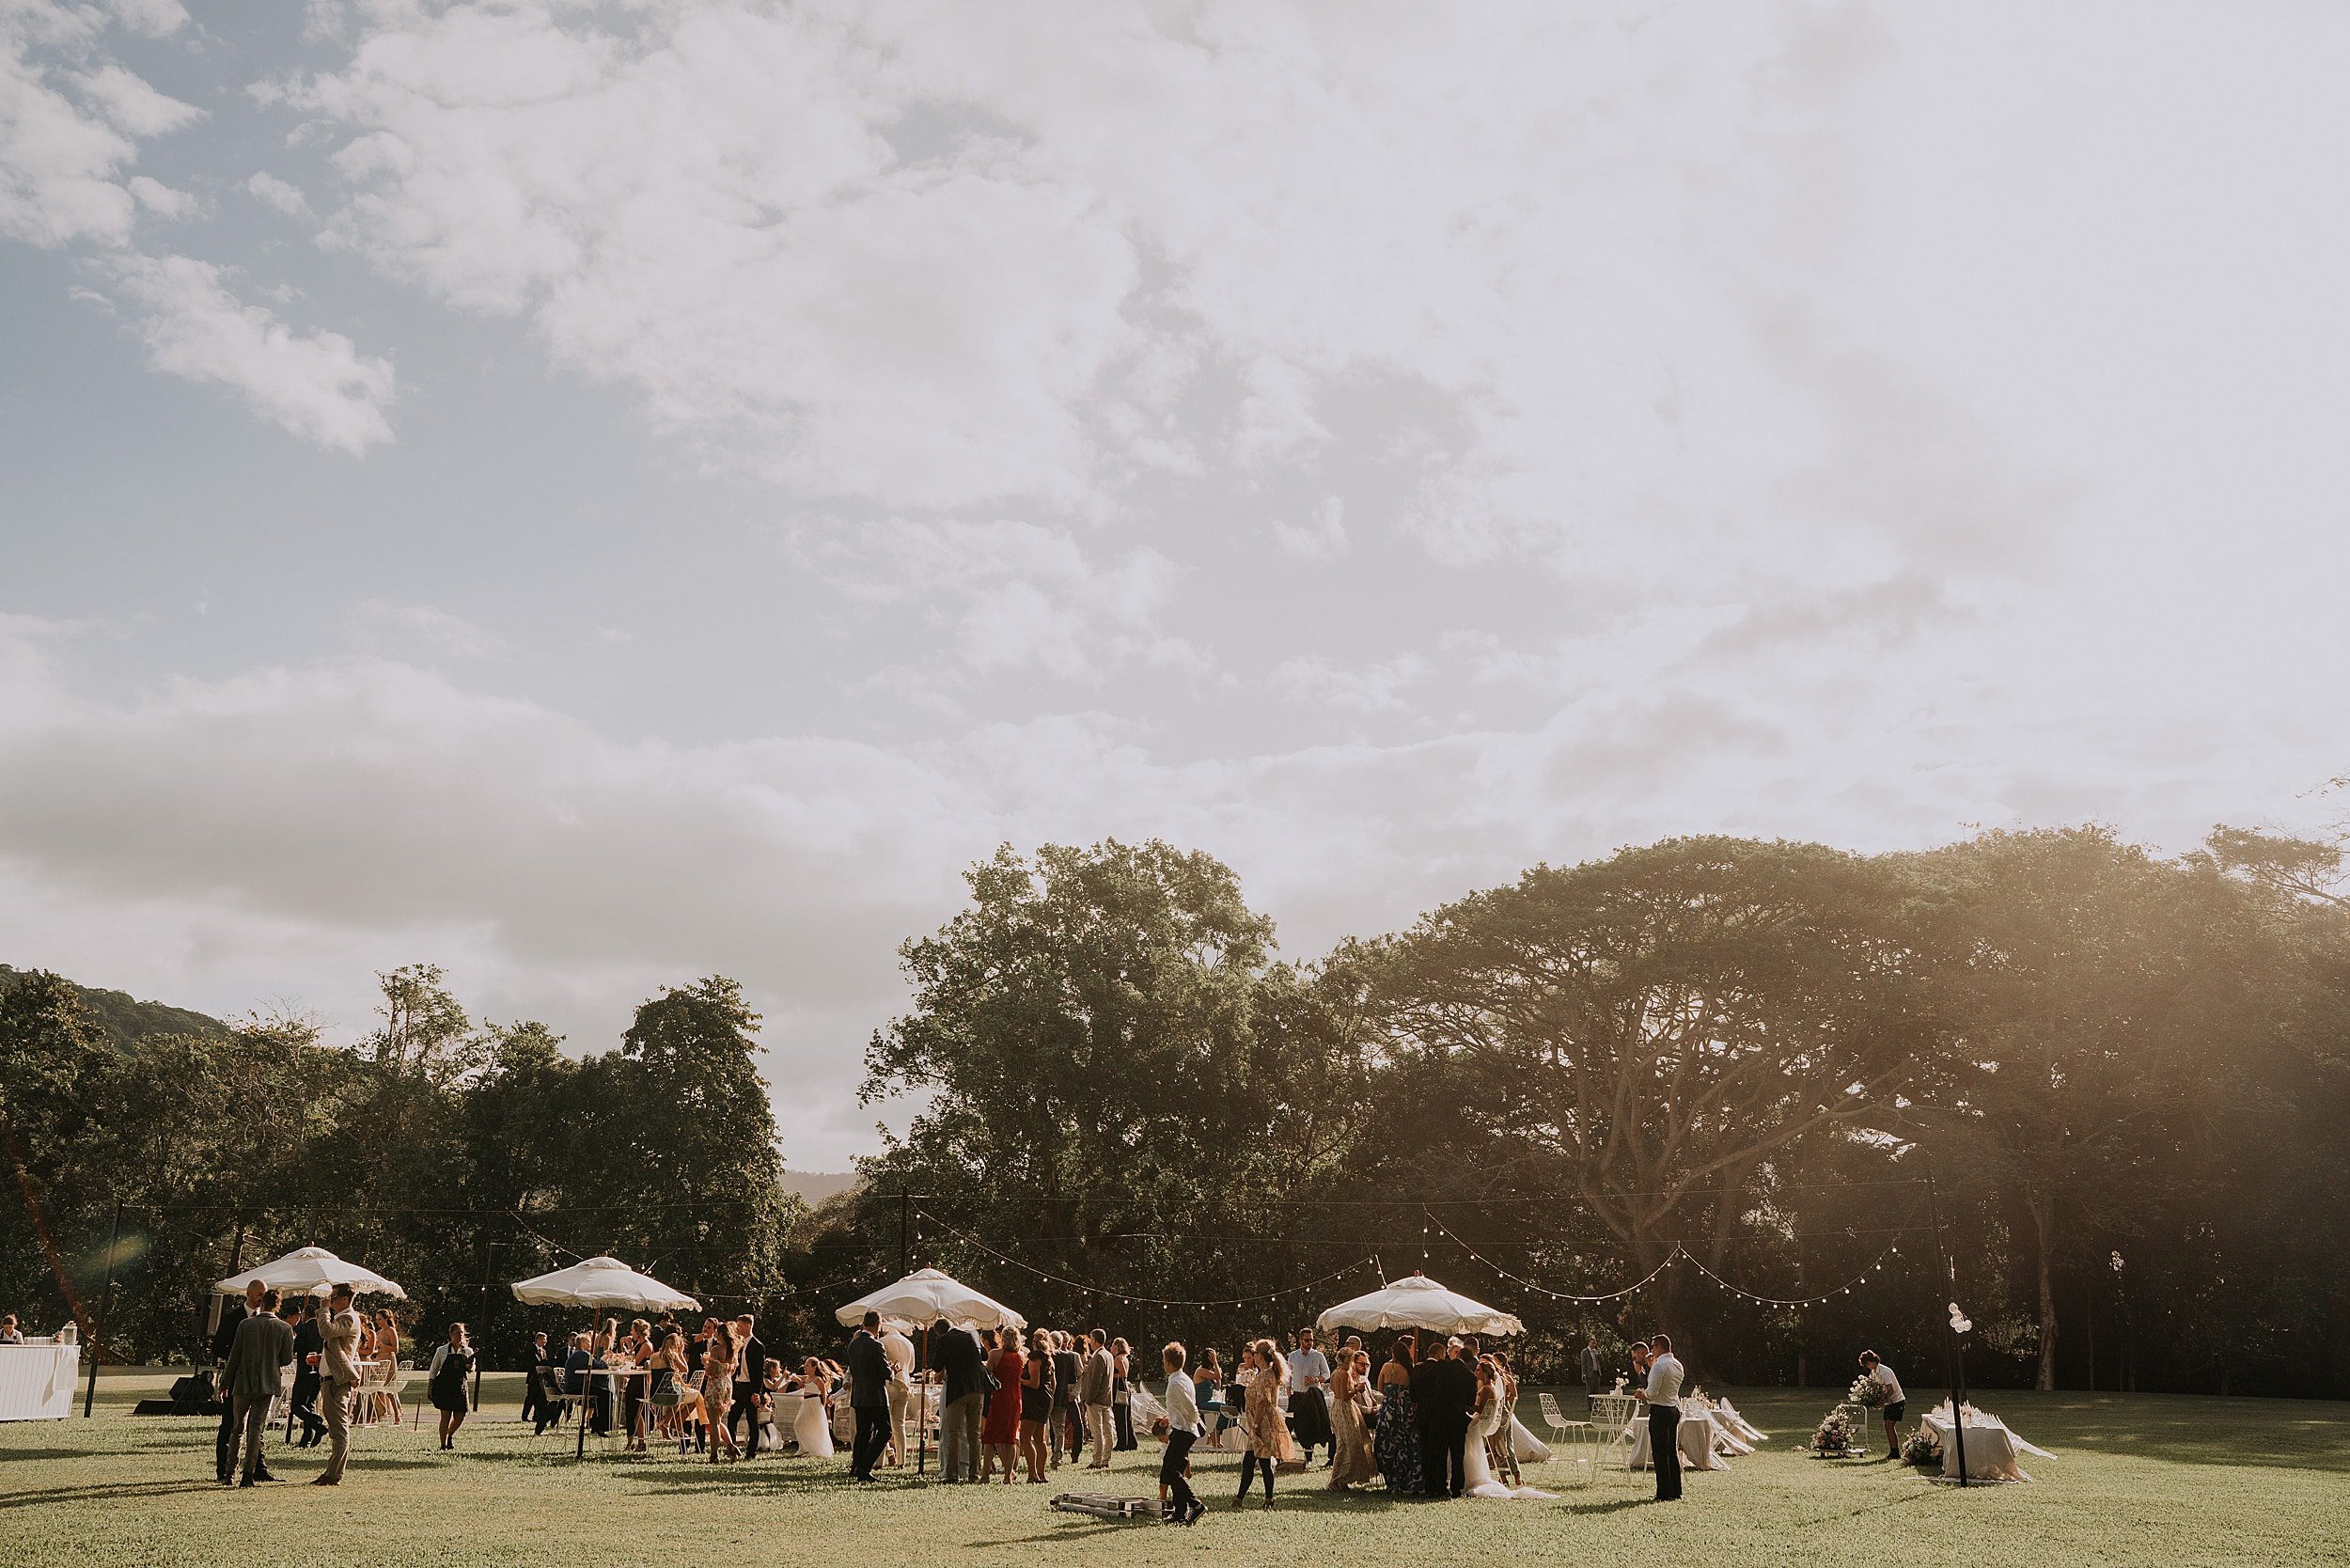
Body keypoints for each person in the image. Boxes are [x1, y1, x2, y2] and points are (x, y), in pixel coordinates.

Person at [222, 1287, 293, 1487]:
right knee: (256, 1429)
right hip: (267, 1384)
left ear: (262, 1303)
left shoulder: (246, 1325)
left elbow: (234, 1357)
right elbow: (287, 1360)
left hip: (243, 1382)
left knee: (237, 1428)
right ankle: (248, 1474)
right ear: (278, 1305)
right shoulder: (285, 1328)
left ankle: (229, 1473)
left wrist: (224, 1383)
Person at [1461, 1356, 1557, 1500]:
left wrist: (1465, 1402)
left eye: (1479, 1371)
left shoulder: (1487, 1389)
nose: (1476, 1373)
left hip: (1477, 1422)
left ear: (1486, 1374)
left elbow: (1480, 1409)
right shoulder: (1488, 1387)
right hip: (1480, 1421)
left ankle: (1470, 1475)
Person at [212, 1278, 264, 1484]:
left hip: (259, 1380)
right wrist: (239, 1355)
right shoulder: (233, 1318)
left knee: (257, 1426)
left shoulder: (267, 1319)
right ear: (249, 1293)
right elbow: (217, 1347)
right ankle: (222, 1470)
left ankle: (258, 1469)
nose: (262, 1298)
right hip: (236, 1378)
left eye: (264, 1295)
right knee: (230, 1425)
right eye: (259, 1294)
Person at [1412, 1335, 1476, 1498]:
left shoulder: (1442, 1367)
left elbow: (1425, 1379)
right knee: (1457, 1455)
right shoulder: (1470, 1377)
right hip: (1457, 1419)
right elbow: (1470, 1401)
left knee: (1437, 1453)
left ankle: (1436, 1486)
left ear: (1456, 1355)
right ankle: (1456, 1488)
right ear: (1468, 1361)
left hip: (1438, 1417)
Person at [314, 1284, 364, 1485]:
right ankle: (331, 1472)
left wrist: (323, 1309)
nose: (330, 1300)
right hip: (331, 1378)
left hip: (337, 1381)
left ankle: (334, 1474)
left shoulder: (348, 1318)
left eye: (333, 1297)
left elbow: (326, 1331)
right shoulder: (343, 1317)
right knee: (335, 1427)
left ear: (344, 1299)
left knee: (339, 1430)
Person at [933, 1318, 988, 1482]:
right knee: (974, 1433)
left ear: (939, 1332)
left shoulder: (944, 1340)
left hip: (957, 1390)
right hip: (977, 1388)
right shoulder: (972, 1335)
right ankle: (974, 1473)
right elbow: (983, 1355)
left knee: (954, 1433)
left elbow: (936, 1366)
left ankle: (952, 1474)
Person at [1234, 1339, 1287, 1508]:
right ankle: (1240, 1498)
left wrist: (1255, 1425)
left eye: (1255, 1353)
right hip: (1259, 1422)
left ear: (1260, 1356)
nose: (1252, 1355)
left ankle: (1267, 1498)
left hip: (1261, 1423)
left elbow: (1263, 1401)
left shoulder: (1265, 1375)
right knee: (1251, 1461)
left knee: (1262, 1461)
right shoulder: (1265, 1373)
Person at [1157, 1341, 1205, 1526]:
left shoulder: (1175, 1383)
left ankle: (1196, 1504)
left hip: (1183, 1431)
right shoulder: (1183, 1378)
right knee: (1175, 1470)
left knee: (1169, 1471)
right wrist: (1172, 1418)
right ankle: (1179, 1513)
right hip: (1183, 1428)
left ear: (1168, 1362)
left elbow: (1190, 1407)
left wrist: (1189, 1421)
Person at [846, 1310, 892, 1482]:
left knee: (862, 1433)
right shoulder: (876, 1345)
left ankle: (855, 1467)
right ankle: (865, 1467)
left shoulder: (853, 1345)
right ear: (878, 1325)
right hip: (875, 1396)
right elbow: (886, 1373)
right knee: (885, 1431)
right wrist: (892, 1371)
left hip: (859, 1395)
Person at [1374, 1333, 1421, 1495]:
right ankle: (1408, 1480)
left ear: (1393, 1353)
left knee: (1388, 1444)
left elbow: (1380, 1389)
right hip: (1406, 1409)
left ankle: (1392, 1479)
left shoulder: (1387, 1367)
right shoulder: (1411, 1369)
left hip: (1390, 1408)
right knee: (1407, 1444)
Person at [1641, 1332, 1684, 1502]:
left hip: (1660, 1411)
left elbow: (1652, 1393)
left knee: (1660, 1453)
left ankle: (1663, 1492)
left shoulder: (1660, 1366)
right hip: (1673, 1409)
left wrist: (1641, 1394)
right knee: (1671, 1451)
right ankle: (1675, 1490)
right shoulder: (1677, 1364)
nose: (1651, 1350)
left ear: (1659, 1347)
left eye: (1652, 1346)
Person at [1327, 1346, 1378, 1488]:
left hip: (1337, 1408)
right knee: (1352, 1444)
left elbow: (1335, 1390)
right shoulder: (1344, 1374)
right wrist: (1357, 1389)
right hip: (1345, 1409)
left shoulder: (1335, 1373)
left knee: (1343, 1444)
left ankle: (1341, 1478)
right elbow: (1345, 1396)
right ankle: (1341, 1477)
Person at [981, 1325, 1026, 1482]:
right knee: (1010, 1437)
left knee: (990, 1437)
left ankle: (985, 1474)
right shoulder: (1021, 1356)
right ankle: (1008, 1474)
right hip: (1015, 1399)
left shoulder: (995, 1354)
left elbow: (989, 1375)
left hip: (999, 1397)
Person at [1286, 1328, 1332, 1466]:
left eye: (1311, 1340)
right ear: (1300, 1341)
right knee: (1291, 1425)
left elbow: (1327, 1373)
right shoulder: (1293, 1356)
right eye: (1307, 1340)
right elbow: (1288, 1375)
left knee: (1311, 1426)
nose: (1310, 1343)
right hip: (1298, 1395)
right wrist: (1289, 1392)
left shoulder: (1318, 1356)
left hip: (1312, 1396)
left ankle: (1309, 1457)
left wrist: (1315, 1379)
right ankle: (1285, 1455)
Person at [429, 1322, 476, 1450]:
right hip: (444, 1386)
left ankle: (450, 1435)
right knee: (445, 1416)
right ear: (450, 1334)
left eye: (461, 1332)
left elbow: (472, 1369)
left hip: (460, 1386)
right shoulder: (442, 1350)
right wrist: (430, 1387)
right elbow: (434, 1369)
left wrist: (469, 1366)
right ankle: (443, 1445)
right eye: (456, 1333)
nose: (459, 1335)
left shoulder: (468, 1351)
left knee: (460, 1416)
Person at [286, 1299, 326, 1448]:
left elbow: (294, 1349)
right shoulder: (323, 1327)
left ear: (304, 1315)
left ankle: (317, 1424)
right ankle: (306, 1439)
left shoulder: (303, 1328)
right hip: (319, 1371)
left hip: (304, 1370)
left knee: (296, 1405)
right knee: (309, 1404)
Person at [1017, 1326, 1053, 1482]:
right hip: (1046, 1398)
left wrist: (1019, 1379)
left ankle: (1032, 1474)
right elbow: (1054, 1383)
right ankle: (1042, 1474)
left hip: (1033, 1399)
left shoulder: (1034, 1358)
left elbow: (1034, 1383)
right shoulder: (1050, 1358)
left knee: (1026, 1437)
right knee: (1040, 1439)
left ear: (1034, 1342)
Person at [729, 1314, 767, 1460]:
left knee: (752, 1421)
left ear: (747, 1326)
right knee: (732, 1418)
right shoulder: (737, 1344)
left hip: (750, 1387)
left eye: (739, 1326)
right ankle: (732, 1448)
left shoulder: (757, 1346)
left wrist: (757, 1392)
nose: (737, 1328)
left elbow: (759, 1372)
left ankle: (751, 1452)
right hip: (738, 1386)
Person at [1079, 1328, 1117, 1468]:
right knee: (1108, 1430)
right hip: (1106, 1398)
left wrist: (1089, 1399)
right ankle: (1106, 1459)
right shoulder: (1108, 1355)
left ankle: (1097, 1461)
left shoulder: (1099, 1355)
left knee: (1097, 1431)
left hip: (1096, 1399)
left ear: (1094, 1340)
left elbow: (1096, 1380)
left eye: (1091, 1339)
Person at [700, 1325, 738, 1461]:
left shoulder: (716, 1350)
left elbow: (710, 1371)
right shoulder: (733, 1350)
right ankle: (730, 1446)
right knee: (718, 1420)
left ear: (721, 1334)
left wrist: (705, 1363)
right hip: (727, 1384)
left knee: (713, 1422)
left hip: (715, 1385)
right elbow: (732, 1371)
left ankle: (714, 1455)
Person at [1859, 1350, 1906, 1459]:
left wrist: (1881, 1403)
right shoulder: (1873, 1372)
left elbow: (1891, 1390)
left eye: (1867, 1363)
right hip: (1889, 1403)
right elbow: (1876, 1388)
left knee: (1889, 1425)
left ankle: (1895, 1453)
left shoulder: (1884, 1371)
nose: (1867, 1366)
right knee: (1887, 1426)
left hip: (1897, 1401)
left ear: (1872, 1361)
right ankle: (1893, 1451)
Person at [882, 1319, 916, 1466]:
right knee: (899, 1425)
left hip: (890, 1384)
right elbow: (911, 1368)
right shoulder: (908, 1343)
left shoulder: (883, 1341)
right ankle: (901, 1460)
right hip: (905, 1385)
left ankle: (879, 1460)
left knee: (882, 1423)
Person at [1052, 1330, 1083, 1467]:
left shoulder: (1073, 1356)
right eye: (1062, 1341)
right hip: (1057, 1396)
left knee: (1078, 1424)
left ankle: (1075, 1454)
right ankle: (1056, 1453)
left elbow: (1080, 1377)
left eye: (1066, 1341)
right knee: (1056, 1427)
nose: (1064, 1344)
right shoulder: (1053, 1356)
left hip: (1070, 1395)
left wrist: (1074, 1394)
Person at [521, 1330, 556, 1434]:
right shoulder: (531, 1350)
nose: (545, 1343)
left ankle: (537, 1416)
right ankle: (524, 1416)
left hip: (541, 1379)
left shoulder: (544, 1351)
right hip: (533, 1377)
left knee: (540, 1398)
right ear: (538, 1340)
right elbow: (529, 1363)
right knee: (530, 1397)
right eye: (544, 1340)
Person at [1111, 1336, 1138, 1450]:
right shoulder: (1124, 1358)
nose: (1111, 1347)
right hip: (1124, 1388)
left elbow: (1122, 1374)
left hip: (1119, 1388)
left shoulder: (1118, 1359)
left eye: (1113, 1345)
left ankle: (1122, 1443)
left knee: (1120, 1417)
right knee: (1126, 1417)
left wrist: (1109, 1376)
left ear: (1117, 1347)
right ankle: (1131, 1442)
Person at [1581, 1335, 1606, 1408]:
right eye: (1592, 1343)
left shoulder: (1596, 1351)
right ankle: (1590, 1406)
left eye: (1595, 1343)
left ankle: (1596, 1406)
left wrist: (1599, 1354)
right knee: (1590, 1390)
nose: (1594, 1345)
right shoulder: (1585, 1352)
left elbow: (1602, 1361)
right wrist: (1584, 1374)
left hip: (1597, 1373)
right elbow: (1583, 1363)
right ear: (1589, 1343)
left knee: (1596, 1391)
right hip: (1589, 1374)